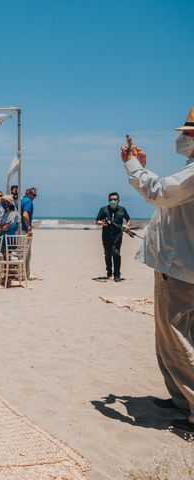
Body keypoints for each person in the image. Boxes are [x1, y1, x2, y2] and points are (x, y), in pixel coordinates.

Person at [120, 109, 194, 432]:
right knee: (171, 337)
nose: (183, 138)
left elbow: (160, 193)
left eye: (189, 133)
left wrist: (133, 166)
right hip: (179, 267)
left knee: (174, 339)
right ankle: (180, 398)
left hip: (179, 269)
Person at [95, 192, 131, 281]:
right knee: (107, 254)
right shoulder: (103, 209)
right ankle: (109, 272)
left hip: (118, 235)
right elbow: (97, 221)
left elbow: (128, 219)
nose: (113, 201)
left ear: (118, 200)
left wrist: (127, 225)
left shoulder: (122, 209)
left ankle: (117, 275)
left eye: (115, 199)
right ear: (108, 200)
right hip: (106, 235)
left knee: (116, 253)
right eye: (111, 199)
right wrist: (102, 223)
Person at [20, 186, 37, 279]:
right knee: (27, 253)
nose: (35, 197)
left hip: (18, 229)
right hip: (24, 230)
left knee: (21, 252)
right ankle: (26, 274)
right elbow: (25, 215)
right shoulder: (28, 202)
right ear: (29, 194)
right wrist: (29, 228)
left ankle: (21, 273)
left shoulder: (21, 200)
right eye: (34, 195)